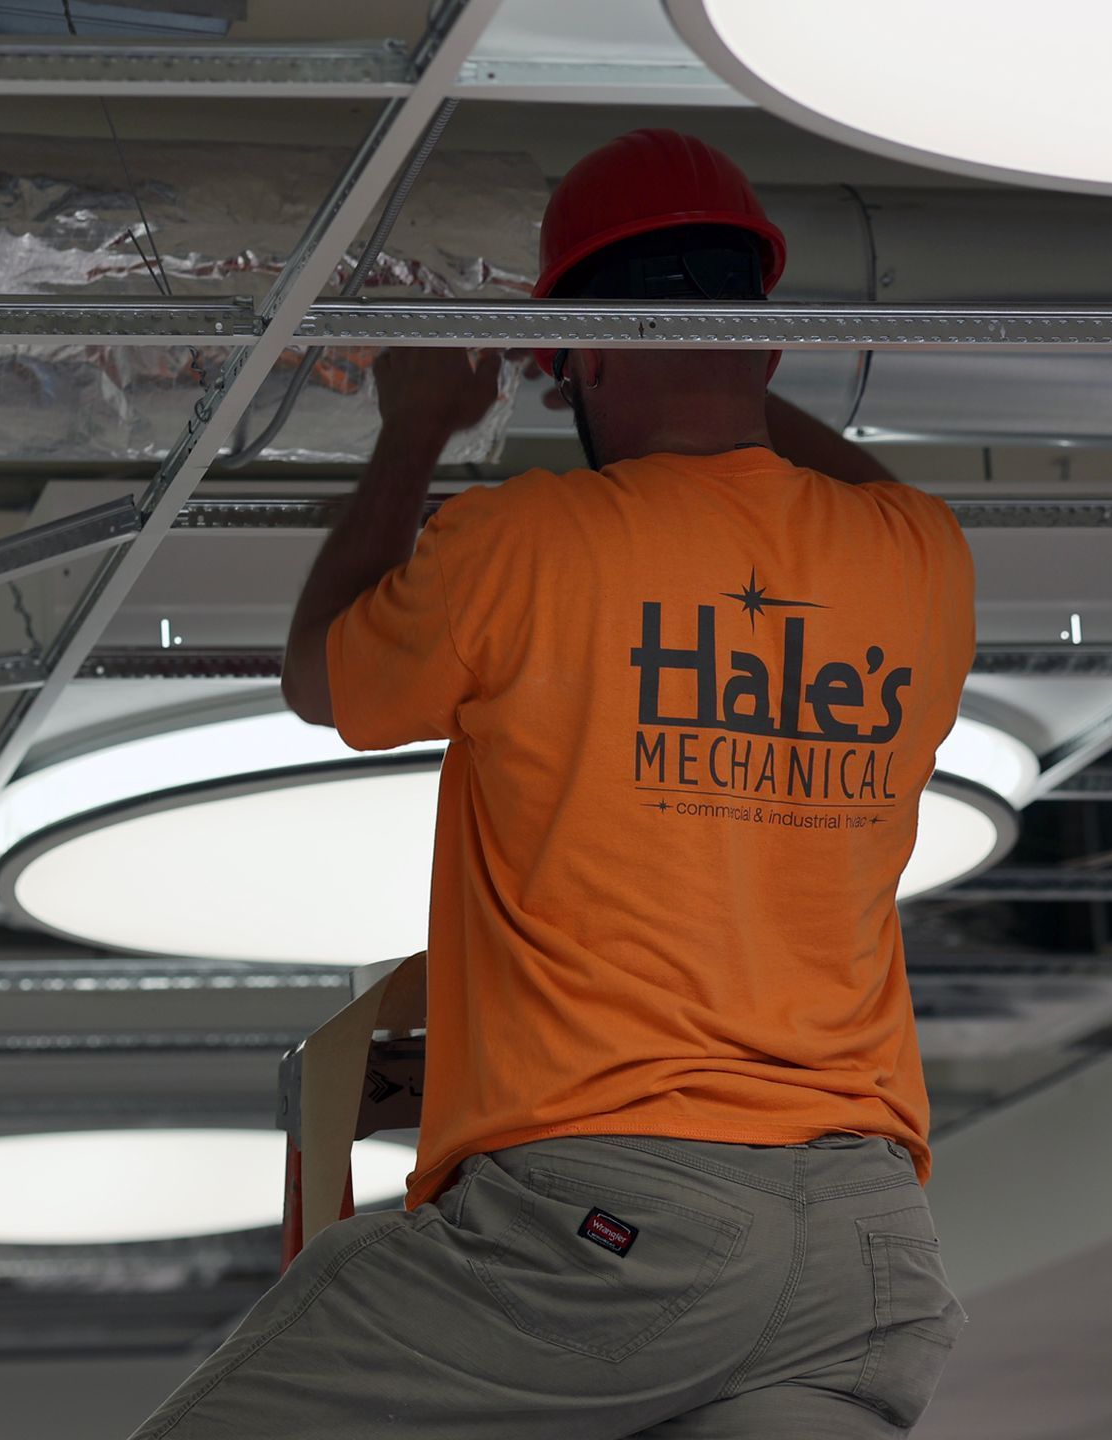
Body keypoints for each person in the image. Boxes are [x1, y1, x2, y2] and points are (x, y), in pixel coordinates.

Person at [124, 129, 975, 1440]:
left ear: (580, 349)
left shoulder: (523, 540)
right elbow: (872, 487)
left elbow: (321, 674)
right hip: (868, 1261)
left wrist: (417, 428)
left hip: (612, 1238)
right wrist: (702, 368)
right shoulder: (919, 558)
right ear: (767, 341)